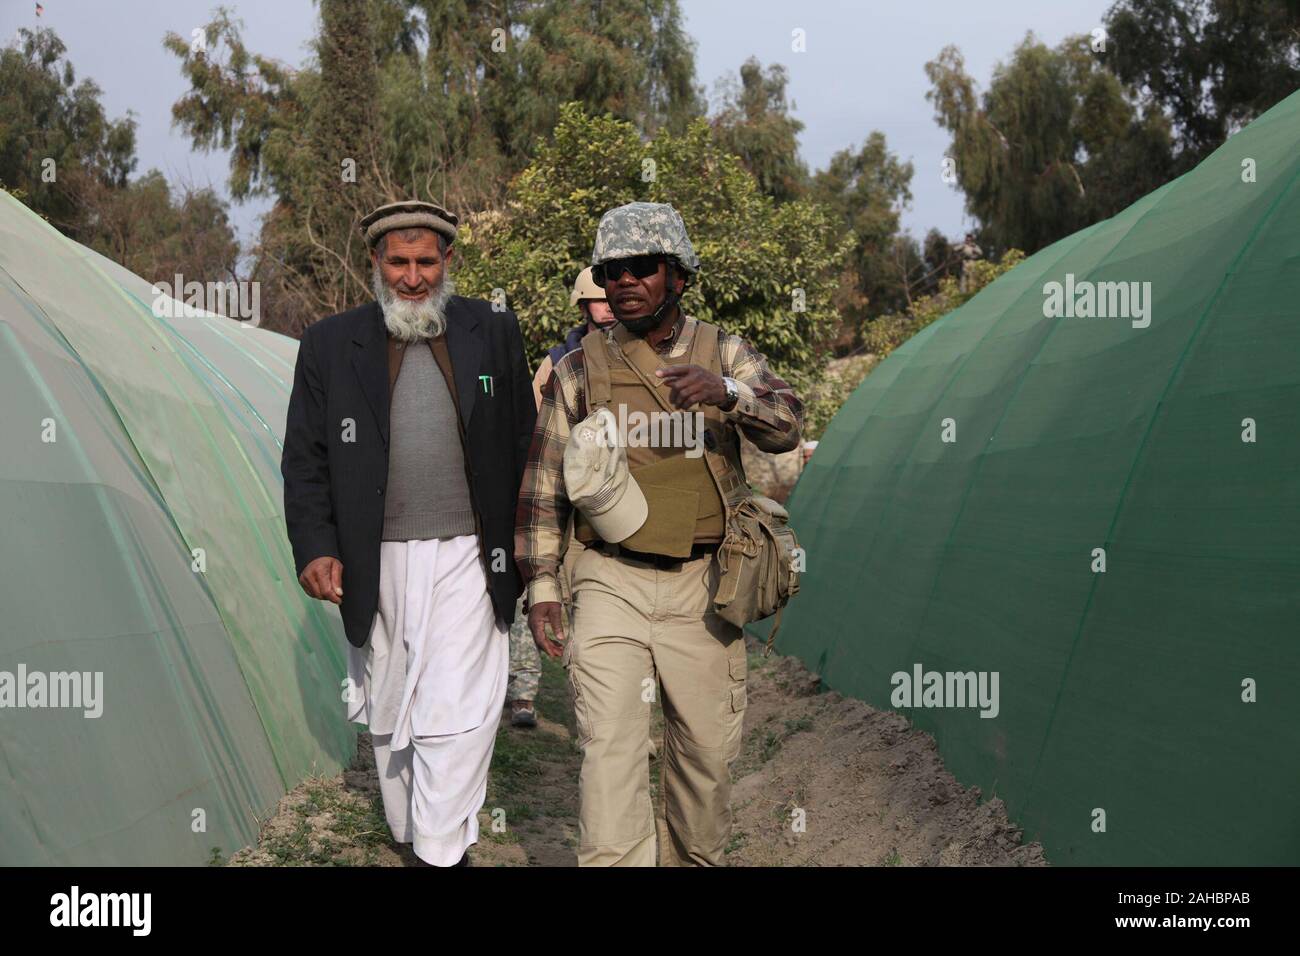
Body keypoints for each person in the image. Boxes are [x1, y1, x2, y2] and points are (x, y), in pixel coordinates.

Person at [516, 201, 804, 865]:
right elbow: (543, 486)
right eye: (610, 269)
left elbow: (788, 421)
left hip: (704, 587)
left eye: (639, 267)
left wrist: (727, 393)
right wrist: (543, 588)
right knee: (609, 755)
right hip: (609, 578)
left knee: (704, 770)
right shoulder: (577, 369)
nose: (622, 281)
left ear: (675, 274)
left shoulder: (723, 350)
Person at [281, 199, 535, 866]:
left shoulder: (494, 330)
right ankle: (414, 830)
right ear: (376, 262)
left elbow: (522, 440)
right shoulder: (331, 344)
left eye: (427, 262)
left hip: (471, 555)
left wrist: (531, 553)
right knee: (394, 708)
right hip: (377, 557)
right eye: (399, 262)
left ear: (449, 261)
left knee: (460, 708)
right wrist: (317, 546)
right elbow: (305, 456)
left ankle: (441, 849)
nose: (413, 277)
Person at [507, 268, 617, 727]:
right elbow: (539, 433)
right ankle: (525, 693)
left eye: (609, 297)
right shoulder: (559, 361)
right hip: (564, 495)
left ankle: (602, 713)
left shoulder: (639, 354)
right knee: (537, 588)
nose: (608, 305)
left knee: (600, 606)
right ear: (582, 306)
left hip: (615, 498)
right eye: (598, 299)